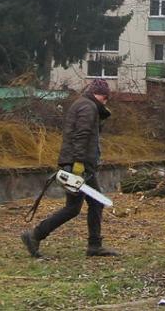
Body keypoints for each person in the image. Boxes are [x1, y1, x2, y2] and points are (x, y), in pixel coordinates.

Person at [21, 78, 119, 258]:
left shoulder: (84, 105)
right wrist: (78, 165)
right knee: (73, 208)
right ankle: (35, 235)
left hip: (80, 165)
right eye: (105, 98)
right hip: (78, 166)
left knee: (95, 203)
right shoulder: (88, 108)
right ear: (100, 95)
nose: (106, 101)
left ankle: (95, 245)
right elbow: (81, 136)